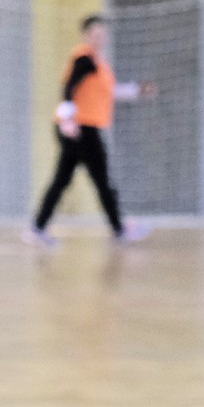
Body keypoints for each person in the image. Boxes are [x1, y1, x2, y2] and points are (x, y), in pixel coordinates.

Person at [23, 13, 150, 247]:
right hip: (81, 128)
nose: (99, 38)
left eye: (102, 34)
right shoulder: (84, 58)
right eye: (94, 34)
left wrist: (136, 90)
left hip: (81, 128)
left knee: (63, 180)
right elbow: (68, 88)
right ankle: (119, 228)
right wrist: (67, 119)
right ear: (86, 35)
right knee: (101, 180)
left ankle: (37, 227)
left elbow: (109, 92)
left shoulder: (99, 65)